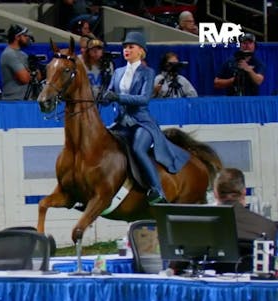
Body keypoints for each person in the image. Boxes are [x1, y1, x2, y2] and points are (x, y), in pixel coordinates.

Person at [101, 31, 190, 204]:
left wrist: (117, 97)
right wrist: (101, 96)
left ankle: (157, 189)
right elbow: (109, 96)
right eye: (125, 47)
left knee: (138, 149)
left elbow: (143, 99)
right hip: (122, 122)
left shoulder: (147, 73)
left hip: (141, 122)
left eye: (131, 47)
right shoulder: (118, 72)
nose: (126, 50)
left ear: (141, 51)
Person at [212, 168, 276, 273]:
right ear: (244, 192)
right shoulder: (266, 226)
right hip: (253, 286)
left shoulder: (200, 226)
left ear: (215, 194)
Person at [0, 24, 36, 100]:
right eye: (25, 36)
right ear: (17, 37)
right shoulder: (9, 54)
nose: (28, 38)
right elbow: (24, 79)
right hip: (13, 101)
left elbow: (37, 77)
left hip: (26, 101)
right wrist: (32, 74)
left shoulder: (24, 55)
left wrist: (32, 73)